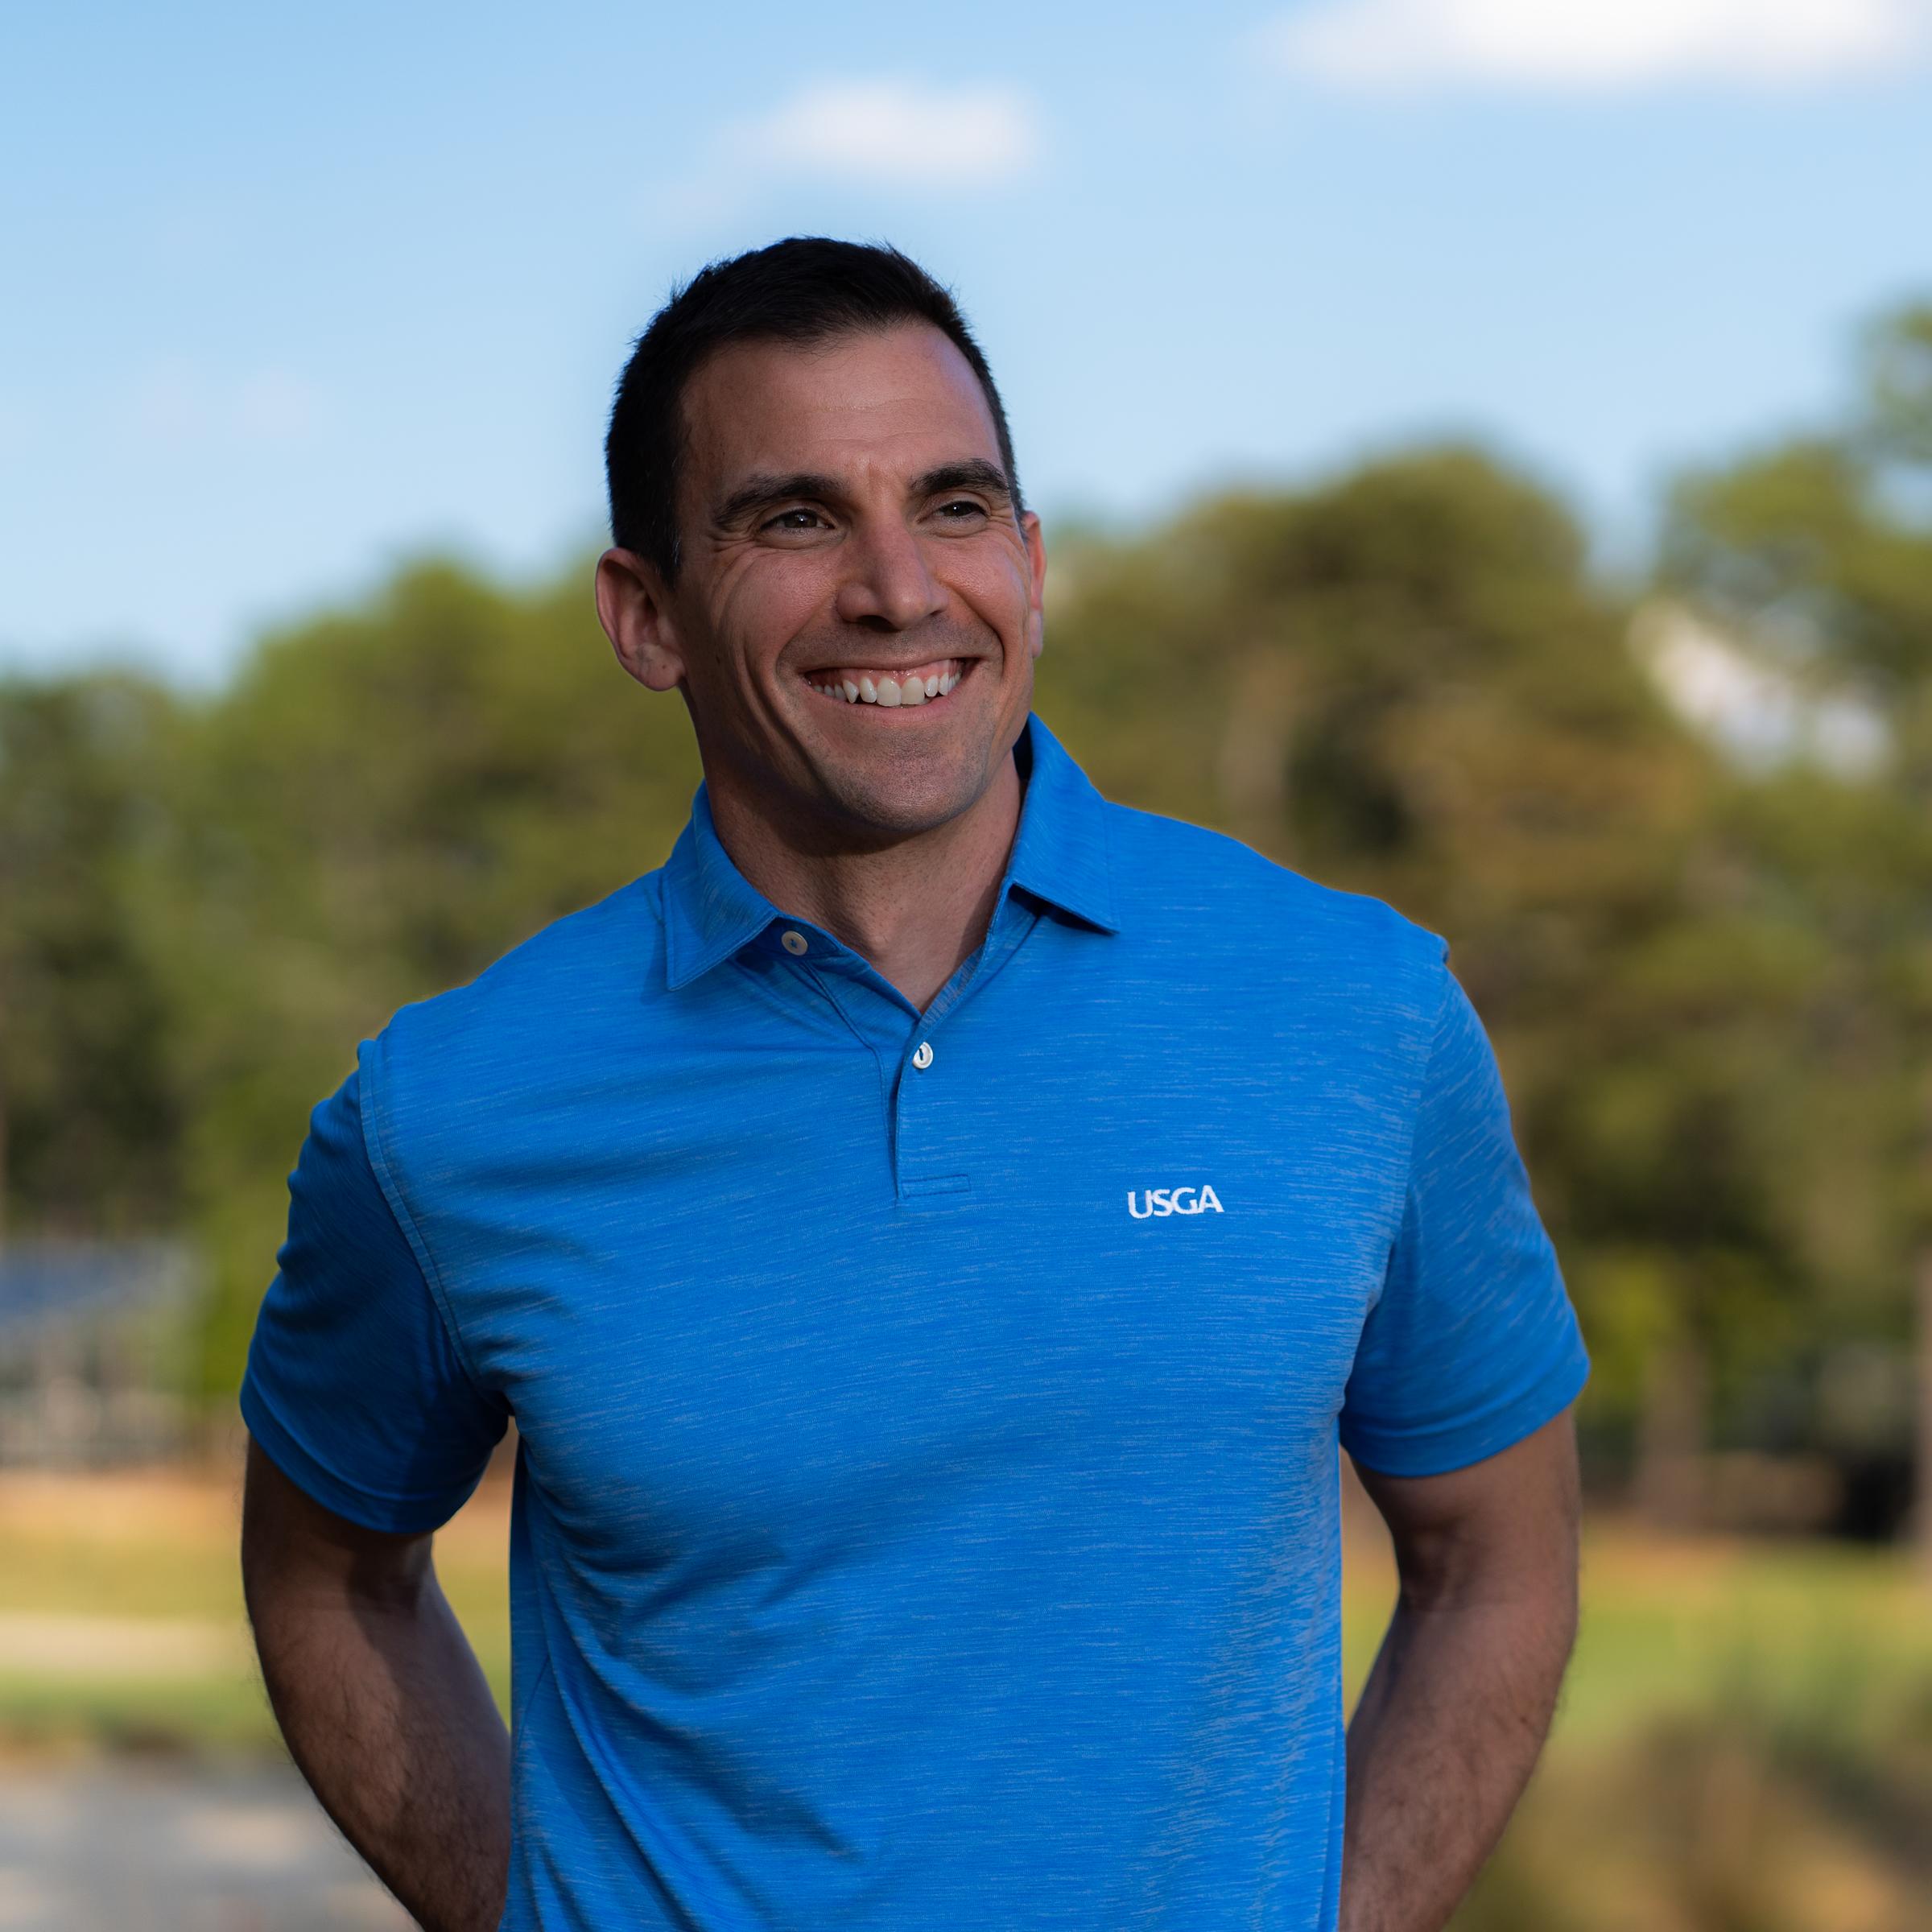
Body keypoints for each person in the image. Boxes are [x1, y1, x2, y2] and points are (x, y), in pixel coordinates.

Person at [239, 236, 1590, 1932]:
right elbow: (329, 1582)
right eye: (796, 520)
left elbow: (1497, 1564)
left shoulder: (1359, 1013)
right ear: (647, 616)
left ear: (1030, 561)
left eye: (955, 506)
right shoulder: (445, 1116)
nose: (898, 589)